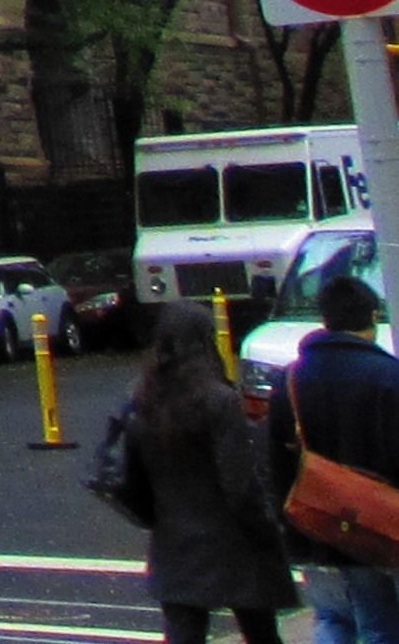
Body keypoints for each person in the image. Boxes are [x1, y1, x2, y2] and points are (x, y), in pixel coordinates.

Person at [121, 308, 299, 644]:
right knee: (261, 632)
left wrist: (158, 518)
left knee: (183, 633)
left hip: (174, 541)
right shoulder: (219, 400)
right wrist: (267, 531)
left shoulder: (143, 401)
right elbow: (240, 484)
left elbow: (132, 479)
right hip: (234, 544)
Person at [267, 274, 399, 644]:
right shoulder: (389, 377)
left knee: (340, 619)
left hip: (322, 525)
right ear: (372, 316)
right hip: (384, 524)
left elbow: (277, 460)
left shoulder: (291, 378)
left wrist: (290, 524)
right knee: (379, 625)